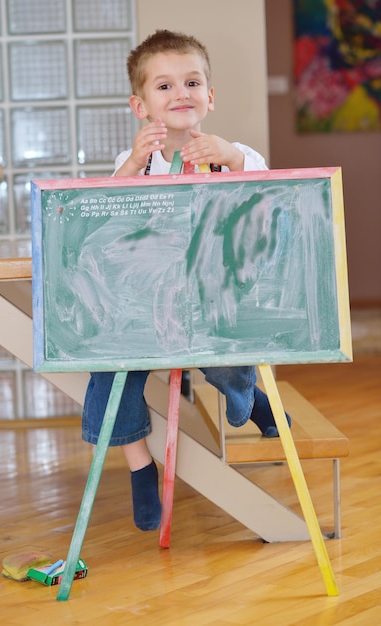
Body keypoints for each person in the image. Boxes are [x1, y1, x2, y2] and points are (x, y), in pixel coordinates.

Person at [82, 29, 291, 532]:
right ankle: (140, 468)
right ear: (140, 106)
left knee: (224, 367)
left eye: (192, 82)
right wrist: (132, 165)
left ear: (210, 97)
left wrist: (235, 161)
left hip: (211, 301)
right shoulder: (132, 162)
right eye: (164, 86)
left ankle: (248, 396)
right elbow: (101, 218)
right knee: (109, 373)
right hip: (143, 304)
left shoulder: (232, 153)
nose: (180, 94)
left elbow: (273, 200)